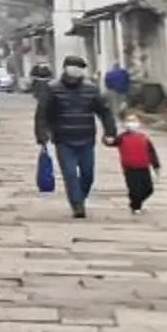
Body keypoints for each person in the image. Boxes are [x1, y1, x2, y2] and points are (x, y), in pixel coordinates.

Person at [36, 55, 122, 219]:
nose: (75, 70)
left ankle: (80, 197)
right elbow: (42, 114)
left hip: (86, 137)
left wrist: (110, 132)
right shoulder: (53, 89)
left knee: (88, 174)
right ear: (65, 68)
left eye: (79, 67)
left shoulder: (91, 89)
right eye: (72, 66)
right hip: (63, 139)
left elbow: (104, 112)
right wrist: (42, 134)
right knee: (70, 174)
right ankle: (77, 205)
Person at [120, 121, 161, 213]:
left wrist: (156, 166)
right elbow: (111, 142)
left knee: (149, 189)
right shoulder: (122, 137)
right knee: (134, 189)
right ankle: (136, 206)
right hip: (130, 168)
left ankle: (136, 203)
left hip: (143, 167)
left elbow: (152, 153)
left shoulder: (144, 138)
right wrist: (107, 138)